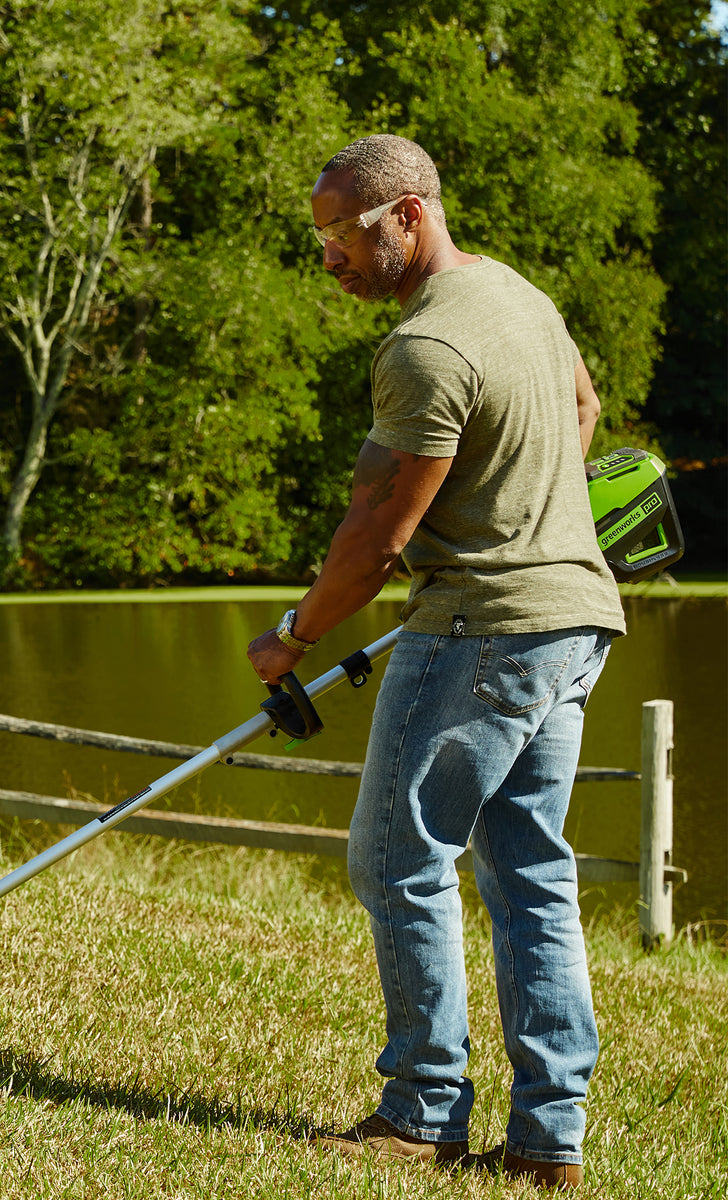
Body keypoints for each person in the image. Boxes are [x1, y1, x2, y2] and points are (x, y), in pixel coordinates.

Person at [246, 134, 625, 1191]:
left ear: (407, 215)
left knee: (398, 861)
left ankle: (420, 1110)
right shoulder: (520, 298)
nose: (330, 259)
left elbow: (376, 536)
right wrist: (530, 510)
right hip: (576, 619)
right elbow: (585, 410)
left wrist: (295, 639)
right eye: (321, 239)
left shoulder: (426, 349)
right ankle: (550, 1138)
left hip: (479, 628)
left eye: (342, 237)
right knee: (530, 873)